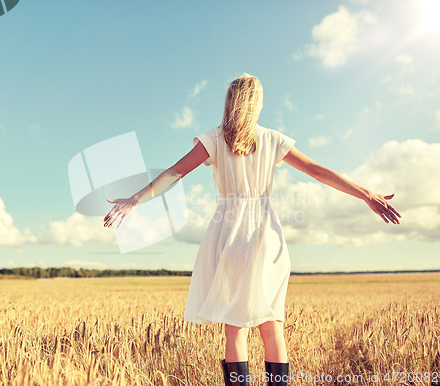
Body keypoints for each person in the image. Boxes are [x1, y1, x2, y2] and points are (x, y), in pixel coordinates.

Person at [103, 73, 401, 386]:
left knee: (235, 328)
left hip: (229, 236)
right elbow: (316, 171)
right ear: (257, 104)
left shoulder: (215, 139)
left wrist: (135, 199)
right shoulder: (273, 139)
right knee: (272, 325)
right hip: (266, 235)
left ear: (229, 101)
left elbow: (176, 172)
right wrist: (366, 193)